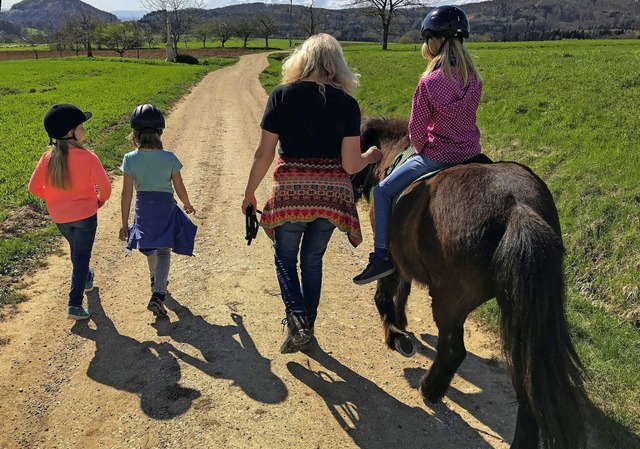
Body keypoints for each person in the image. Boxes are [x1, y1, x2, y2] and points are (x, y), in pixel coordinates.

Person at [242, 33, 383, 354]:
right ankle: (308, 324)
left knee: (284, 257)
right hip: (332, 197)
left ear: (301, 61)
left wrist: (250, 193)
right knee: (313, 260)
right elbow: (350, 165)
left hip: (291, 193)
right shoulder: (347, 104)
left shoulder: (281, 96)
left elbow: (263, 154)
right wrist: (371, 156)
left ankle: (296, 321)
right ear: (338, 66)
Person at [353, 5, 482, 285]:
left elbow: (415, 130)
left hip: (438, 156)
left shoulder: (429, 82)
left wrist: (421, 150)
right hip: (472, 152)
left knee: (384, 191)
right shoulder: (474, 78)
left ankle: (381, 257)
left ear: (433, 41)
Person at [29, 104, 112, 320]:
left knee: (77, 251)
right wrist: (99, 201)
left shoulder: (47, 158)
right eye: (81, 126)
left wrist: (56, 199)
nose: (84, 130)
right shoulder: (89, 157)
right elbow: (106, 189)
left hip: (59, 216)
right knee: (82, 256)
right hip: (85, 215)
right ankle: (74, 304)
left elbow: (34, 187)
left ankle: (85, 278)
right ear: (70, 132)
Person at [119, 104, 197, 317]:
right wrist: (187, 204)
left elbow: (126, 194)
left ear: (135, 134)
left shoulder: (130, 159)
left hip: (144, 209)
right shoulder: (169, 158)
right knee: (164, 250)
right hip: (165, 208)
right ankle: (158, 292)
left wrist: (124, 223)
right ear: (160, 132)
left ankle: (155, 279)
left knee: (150, 246)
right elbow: (179, 186)